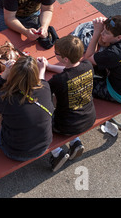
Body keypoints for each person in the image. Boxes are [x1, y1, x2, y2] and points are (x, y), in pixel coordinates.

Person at [0, 56, 53, 162]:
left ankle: (0, 144)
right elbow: (41, 79)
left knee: (5, 113)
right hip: (43, 146)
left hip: (16, 153)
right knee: (13, 114)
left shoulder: (7, 99)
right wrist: (42, 69)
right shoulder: (45, 87)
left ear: (12, 76)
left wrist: (4, 73)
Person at [39, 35, 96, 172]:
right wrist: (50, 66)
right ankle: (75, 142)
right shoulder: (87, 65)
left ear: (65, 59)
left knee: (38, 120)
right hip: (89, 117)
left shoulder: (59, 80)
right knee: (70, 110)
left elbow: (42, 91)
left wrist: (41, 70)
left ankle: (57, 153)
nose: (55, 55)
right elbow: (71, 71)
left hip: (65, 125)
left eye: (56, 54)